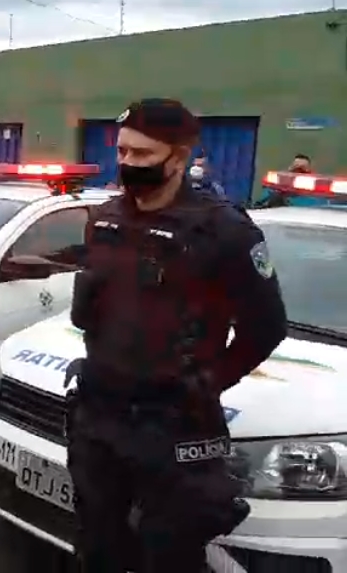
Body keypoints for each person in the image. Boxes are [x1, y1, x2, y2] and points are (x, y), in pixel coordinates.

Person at [66, 98, 288, 572]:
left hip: (173, 425)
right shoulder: (105, 220)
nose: (127, 164)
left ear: (179, 157)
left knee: (170, 554)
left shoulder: (224, 231)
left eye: (142, 155)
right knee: (96, 546)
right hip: (98, 417)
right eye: (122, 152)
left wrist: (207, 383)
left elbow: (266, 327)